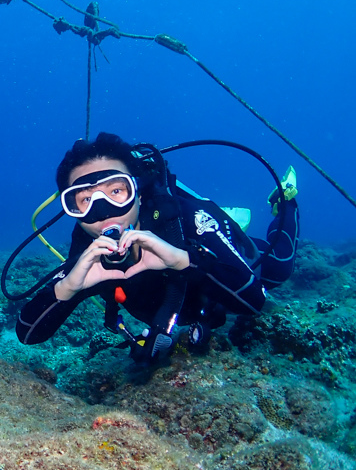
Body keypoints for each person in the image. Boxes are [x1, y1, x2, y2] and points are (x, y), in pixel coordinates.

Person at [15, 132, 299, 362]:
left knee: (278, 269)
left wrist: (186, 261)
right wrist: (68, 289)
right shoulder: (88, 253)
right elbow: (28, 335)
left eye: (116, 191)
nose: (103, 212)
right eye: (85, 199)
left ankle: (286, 202)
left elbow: (254, 302)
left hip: (209, 243)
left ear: (137, 192)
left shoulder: (182, 219)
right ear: (71, 207)